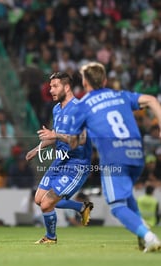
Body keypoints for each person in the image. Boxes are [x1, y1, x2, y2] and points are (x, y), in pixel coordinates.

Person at [68, 61, 161, 253]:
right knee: (126, 196)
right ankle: (142, 230)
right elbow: (152, 100)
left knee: (117, 206)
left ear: (85, 83)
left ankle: (149, 237)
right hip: (136, 155)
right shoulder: (120, 95)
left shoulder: (82, 105)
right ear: (104, 80)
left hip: (114, 158)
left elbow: (73, 141)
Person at [26, 72, 94, 244]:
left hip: (77, 164)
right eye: (50, 87)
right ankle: (82, 207)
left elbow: (81, 140)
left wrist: (56, 134)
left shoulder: (79, 109)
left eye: (55, 86)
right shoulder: (56, 109)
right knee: (38, 199)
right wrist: (37, 149)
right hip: (60, 160)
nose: (51, 90)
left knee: (47, 203)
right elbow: (53, 136)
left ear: (67, 87)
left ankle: (51, 238)